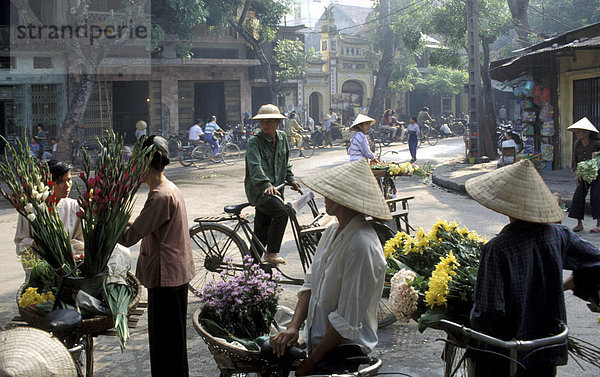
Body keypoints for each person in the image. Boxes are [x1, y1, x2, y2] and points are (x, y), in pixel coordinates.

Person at [465, 159, 600, 376]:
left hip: (508, 356)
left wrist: (467, 321)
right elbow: (596, 263)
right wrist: (561, 285)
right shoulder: (558, 234)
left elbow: (488, 313)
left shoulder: (497, 248)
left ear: (505, 204)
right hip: (548, 346)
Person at [270, 159, 390, 376]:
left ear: (343, 200)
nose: (325, 196)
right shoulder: (331, 231)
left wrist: (311, 362)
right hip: (320, 343)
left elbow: (345, 322)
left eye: (330, 193)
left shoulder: (361, 245)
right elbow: (309, 286)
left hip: (344, 351)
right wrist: (293, 328)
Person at [119, 135, 194, 377]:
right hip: (174, 276)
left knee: (165, 345)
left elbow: (129, 238)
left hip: (166, 278)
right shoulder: (168, 189)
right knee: (173, 343)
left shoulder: (160, 196)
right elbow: (144, 225)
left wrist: (107, 217)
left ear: (146, 163)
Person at [244, 104, 300, 265]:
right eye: (262, 122)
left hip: (275, 190)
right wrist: (265, 184)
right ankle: (272, 252)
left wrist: (291, 178)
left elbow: (286, 162)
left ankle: (251, 272)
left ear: (277, 122)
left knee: (261, 233)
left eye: (269, 122)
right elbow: (255, 166)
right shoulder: (254, 142)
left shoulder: (282, 138)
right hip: (260, 191)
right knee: (282, 213)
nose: (265, 125)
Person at [15, 160, 84, 274]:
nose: (67, 186)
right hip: (41, 271)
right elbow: (21, 242)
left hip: (70, 270)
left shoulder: (75, 207)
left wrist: (64, 249)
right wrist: (36, 245)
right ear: (48, 183)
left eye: (69, 180)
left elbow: (81, 243)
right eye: (60, 182)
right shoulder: (30, 208)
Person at [567, 117, 600, 233]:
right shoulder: (577, 144)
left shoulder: (596, 144)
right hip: (583, 174)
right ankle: (579, 224)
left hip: (596, 174)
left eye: (579, 131)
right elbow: (575, 161)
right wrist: (577, 175)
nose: (577, 134)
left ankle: (598, 224)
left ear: (587, 132)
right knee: (578, 198)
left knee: (596, 197)